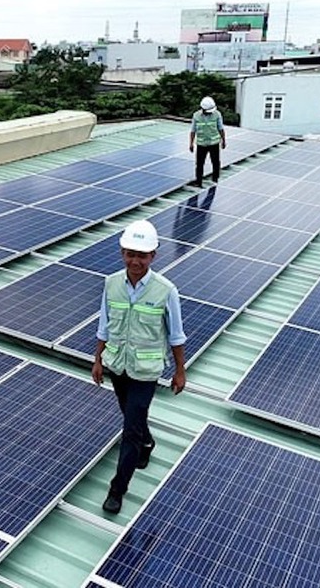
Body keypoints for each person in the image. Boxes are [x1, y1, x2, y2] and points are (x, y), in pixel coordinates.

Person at [91, 219, 186, 515]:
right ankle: (147, 442)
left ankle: (117, 490)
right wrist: (97, 359)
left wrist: (180, 371)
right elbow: (104, 325)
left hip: (145, 372)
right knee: (131, 417)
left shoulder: (165, 290)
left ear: (153, 256)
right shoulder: (111, 284)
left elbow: (176, 335)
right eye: (130, 253)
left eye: (142, 255)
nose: (135, 260)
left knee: (129, 429)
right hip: (117, 366)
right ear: (122, 253)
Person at [188, 96, 227, 187]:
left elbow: (221, 128)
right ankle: (199, 181)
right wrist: (191, 143)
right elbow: (193, 131)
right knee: (200, 164)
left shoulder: (217, 114)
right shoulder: (196, 116)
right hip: (201, 144)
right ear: (203, 108)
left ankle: (215, 178)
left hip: (214, 143)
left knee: (216, 162)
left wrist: (223, 140)